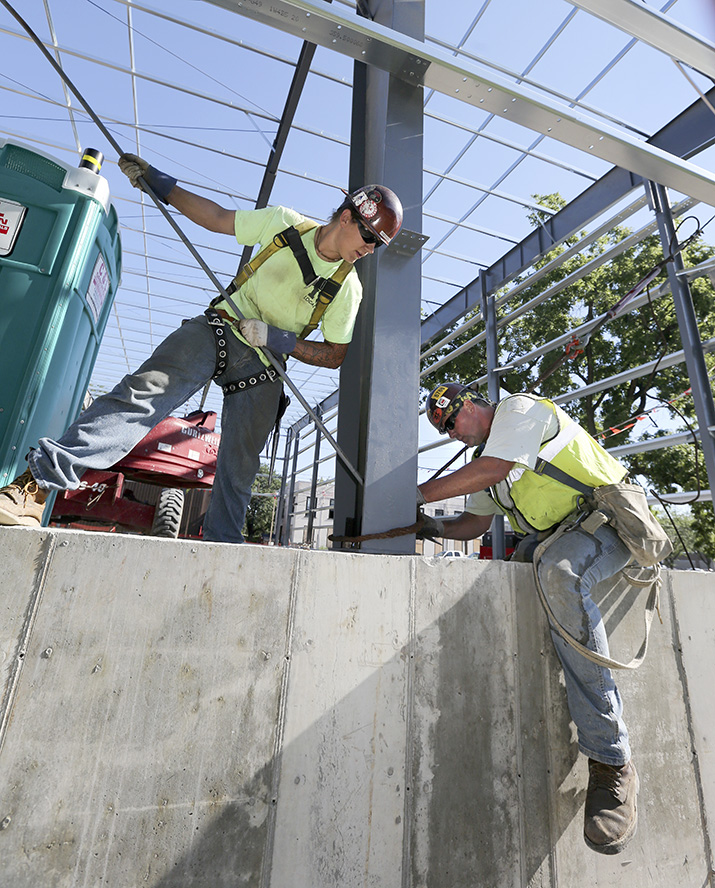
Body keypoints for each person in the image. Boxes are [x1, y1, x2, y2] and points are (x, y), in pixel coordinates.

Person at [0, 155, 403, 542]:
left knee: (239, 465)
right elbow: (217, 218)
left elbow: (335, 355)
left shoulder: (348, 289)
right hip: (222, 326)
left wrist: (277, 338)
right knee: (143, 394)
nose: (369, 249)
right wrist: (161, 184)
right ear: (347, 216)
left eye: (377, 246)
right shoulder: (285, 224)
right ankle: (34, 488)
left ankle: (223, 547)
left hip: (265, 364)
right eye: (369, 237)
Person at [417, 381, 641, 856]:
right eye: (442, 430)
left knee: (558, 574)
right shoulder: (488, 463)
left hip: (606, 522)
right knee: (515, 573)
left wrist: (413, 492)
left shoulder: (518, 412)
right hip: (558, 537)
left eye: (450, 422)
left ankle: (612, 760)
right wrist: (431, 524)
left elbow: (494, 467)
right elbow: (475, 523)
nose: (451, 434)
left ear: (472, 402)